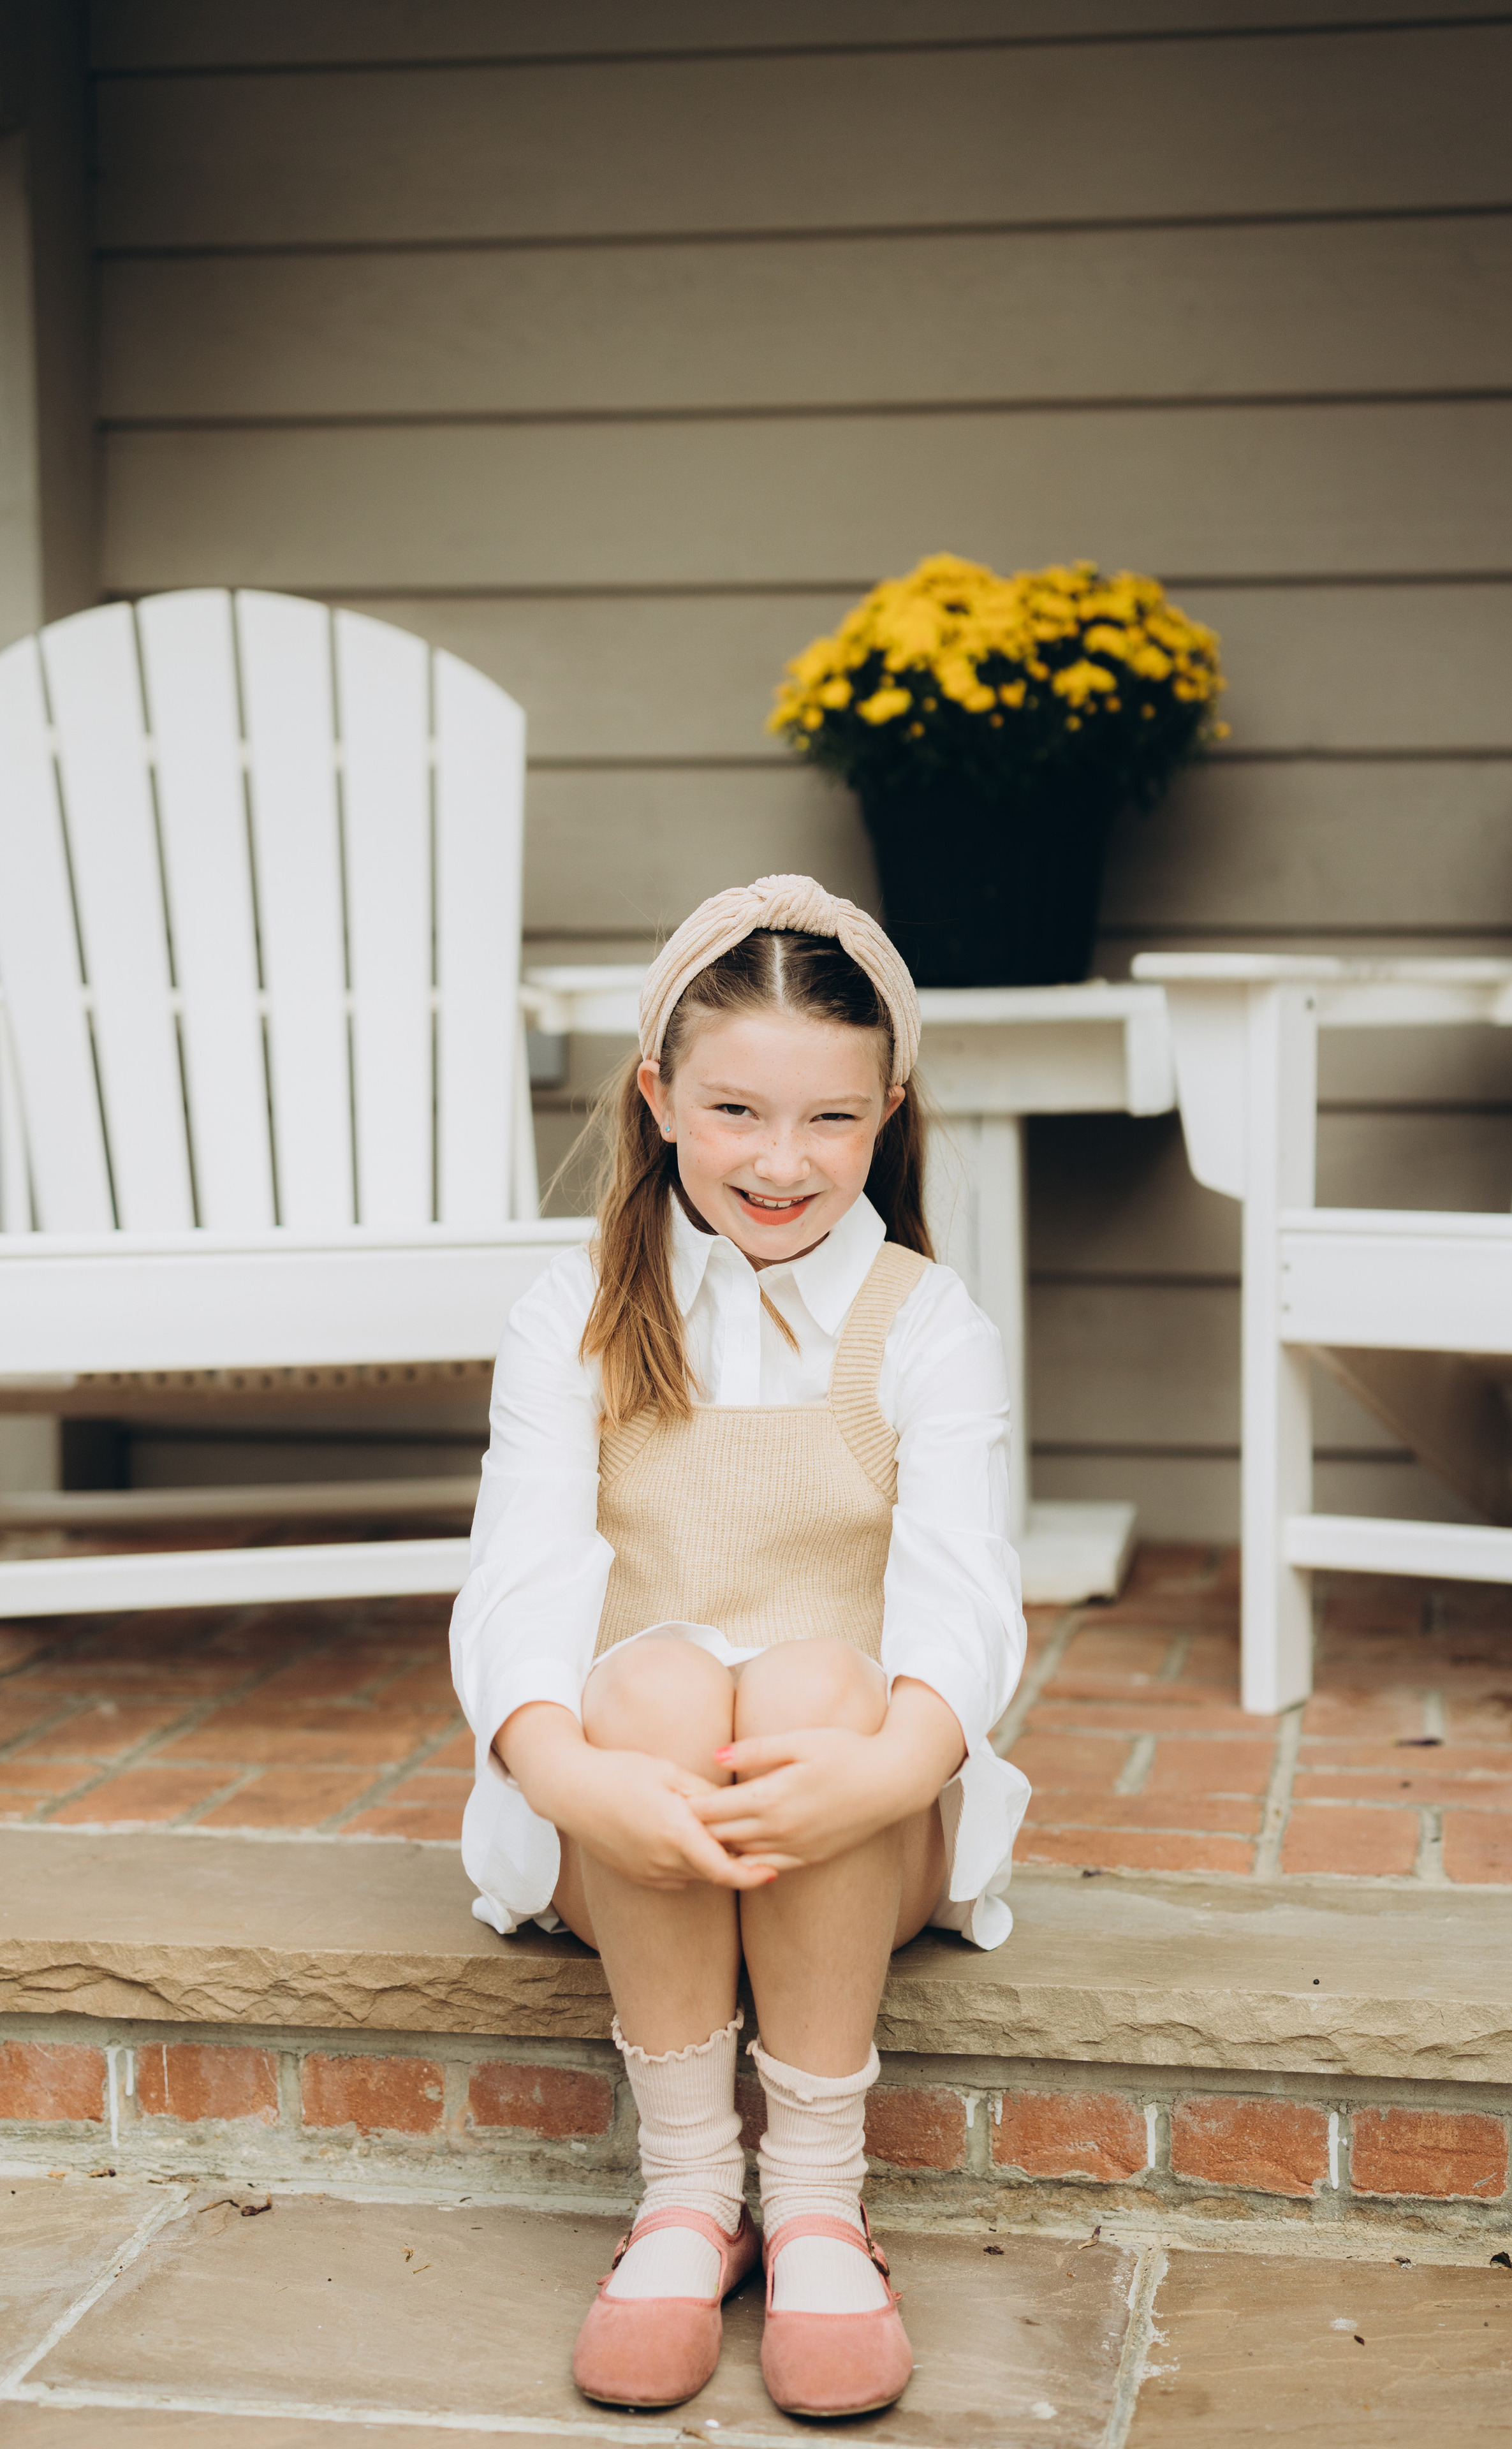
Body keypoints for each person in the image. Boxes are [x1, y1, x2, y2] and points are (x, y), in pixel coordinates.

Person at [450, 874, 1030, 2420]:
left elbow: (962, 1585)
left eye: (832, 1122)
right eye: (735, 1112)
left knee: (817, 1682)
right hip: (628, 1822)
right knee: (646, 1678)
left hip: (852, 1821)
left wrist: (894, 1762)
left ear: (887, 1115)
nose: (783, 1165)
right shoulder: (573, 1308)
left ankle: (823, 2203)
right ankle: (690, 2191)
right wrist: (570, 1771)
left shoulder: (923, 1320)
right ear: (656, 1097)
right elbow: (517, 1572)